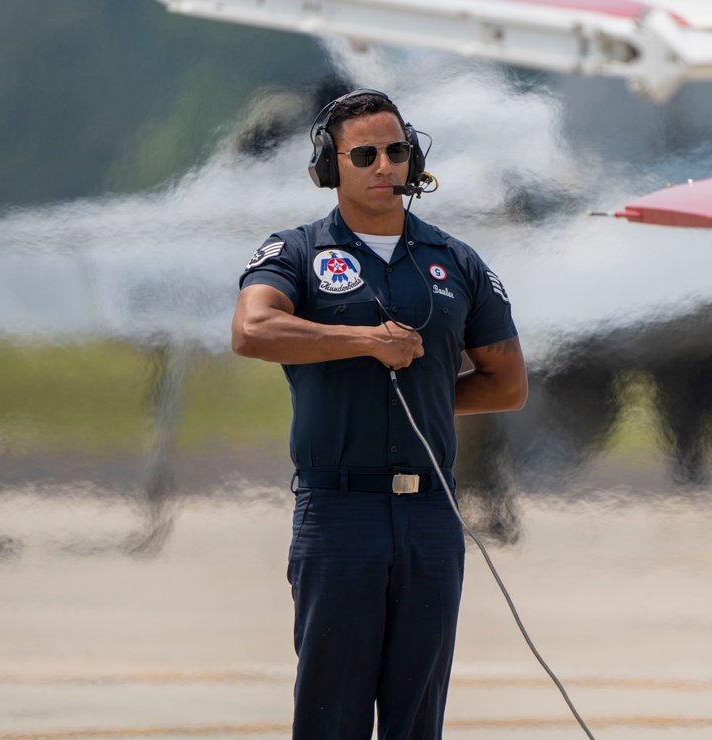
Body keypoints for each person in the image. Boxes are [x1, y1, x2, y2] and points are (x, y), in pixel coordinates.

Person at [232, 88, 527, 739]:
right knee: (331, 716)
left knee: (417, 718)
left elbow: (505, 383)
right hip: (339, 514)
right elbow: (252, 330)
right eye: (364, 154)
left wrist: (420, 397)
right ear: (329, 166)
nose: (384, 166)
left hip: (430, 516)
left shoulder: (456, 261)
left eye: (397, 151)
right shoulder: (296, 252)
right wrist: (363, 342)